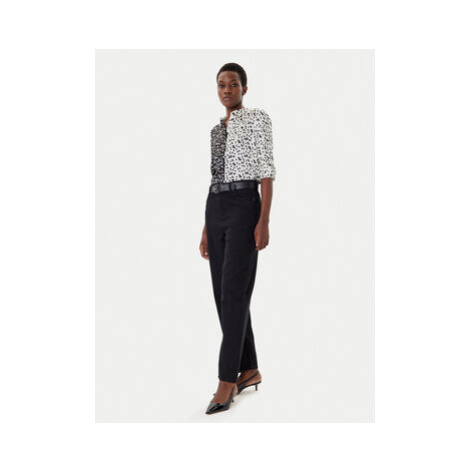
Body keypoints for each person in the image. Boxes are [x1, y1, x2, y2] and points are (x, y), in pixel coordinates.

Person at [199, 63, 276, 414]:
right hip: (215, 206)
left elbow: (267, 171)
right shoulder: (216, 131)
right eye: (221, 85)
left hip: (245, 205)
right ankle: (250, 369)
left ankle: (226, 379)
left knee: (233, 293)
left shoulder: (258, 118)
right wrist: (206, 227)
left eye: (233, 84)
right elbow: (214, 177)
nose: (227, 90)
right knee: (223, 295)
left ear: (244, 88)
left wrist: (264, 220)